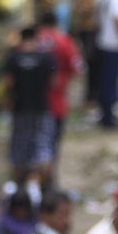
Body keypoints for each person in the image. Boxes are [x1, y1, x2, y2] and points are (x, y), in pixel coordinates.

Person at [1, 25, 58, 185]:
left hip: (20, 109)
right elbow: (53, 82)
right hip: (42, 108)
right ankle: (45, 186)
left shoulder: (13, 58)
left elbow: (8, 83)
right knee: (44, 147)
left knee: (19, 149)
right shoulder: (46, 58)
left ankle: (19, 187)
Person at [35, 11, 81, 181]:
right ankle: (48, 180)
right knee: (51, 145)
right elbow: (76, 66)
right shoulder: (63, 41)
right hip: (56, 103)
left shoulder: (31, 41)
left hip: (29, 105)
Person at [73, 0, 106, 112]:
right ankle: (92, 96)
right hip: (89, 29)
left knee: (93, 64)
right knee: (92, 64)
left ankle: (93, 97)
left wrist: (81, 8)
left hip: (92, 30)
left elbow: (88, 7)